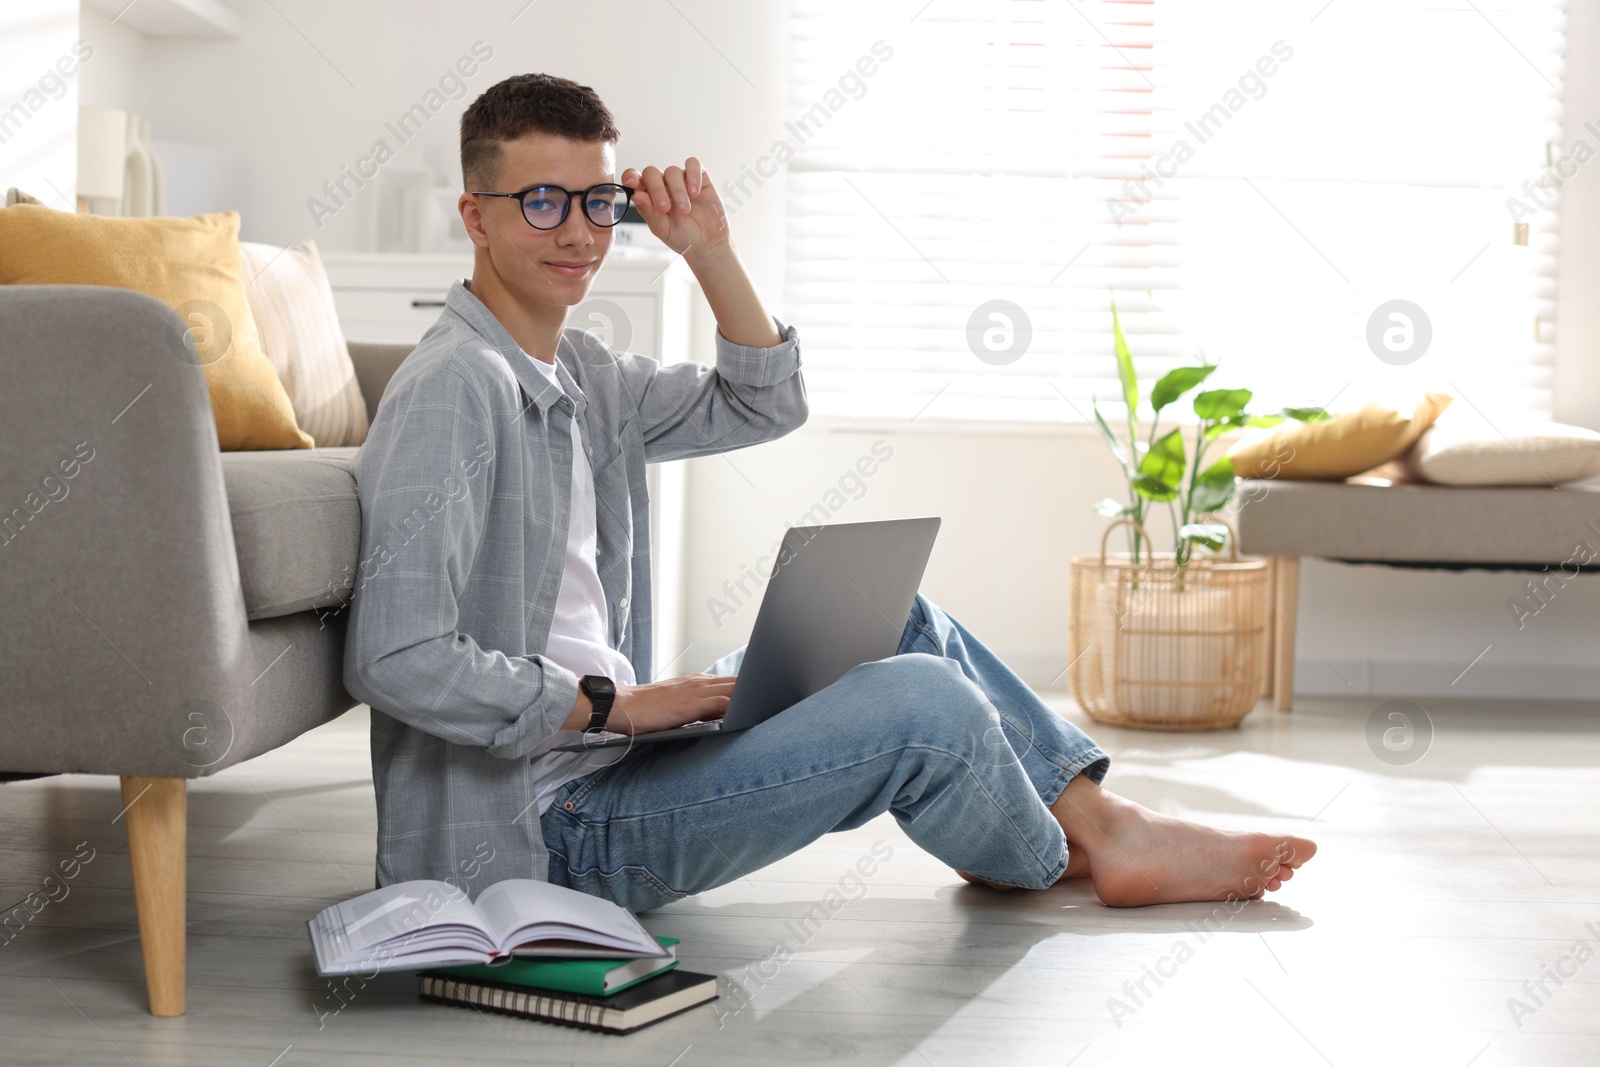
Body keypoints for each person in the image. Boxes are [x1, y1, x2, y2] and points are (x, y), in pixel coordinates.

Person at [342, 73, 1315, 913]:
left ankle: (1113, 826)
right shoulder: (455, 388)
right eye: (542, 202)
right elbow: (396, 656)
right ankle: (1056, 853)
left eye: (599, 202)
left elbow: (763, 403)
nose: (579, 232)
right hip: (548, 835)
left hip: (614, 764)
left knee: (898, 622)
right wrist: (623, 706)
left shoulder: (584, 373)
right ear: (475, 215)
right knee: (923, 704)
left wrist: (709, 248)